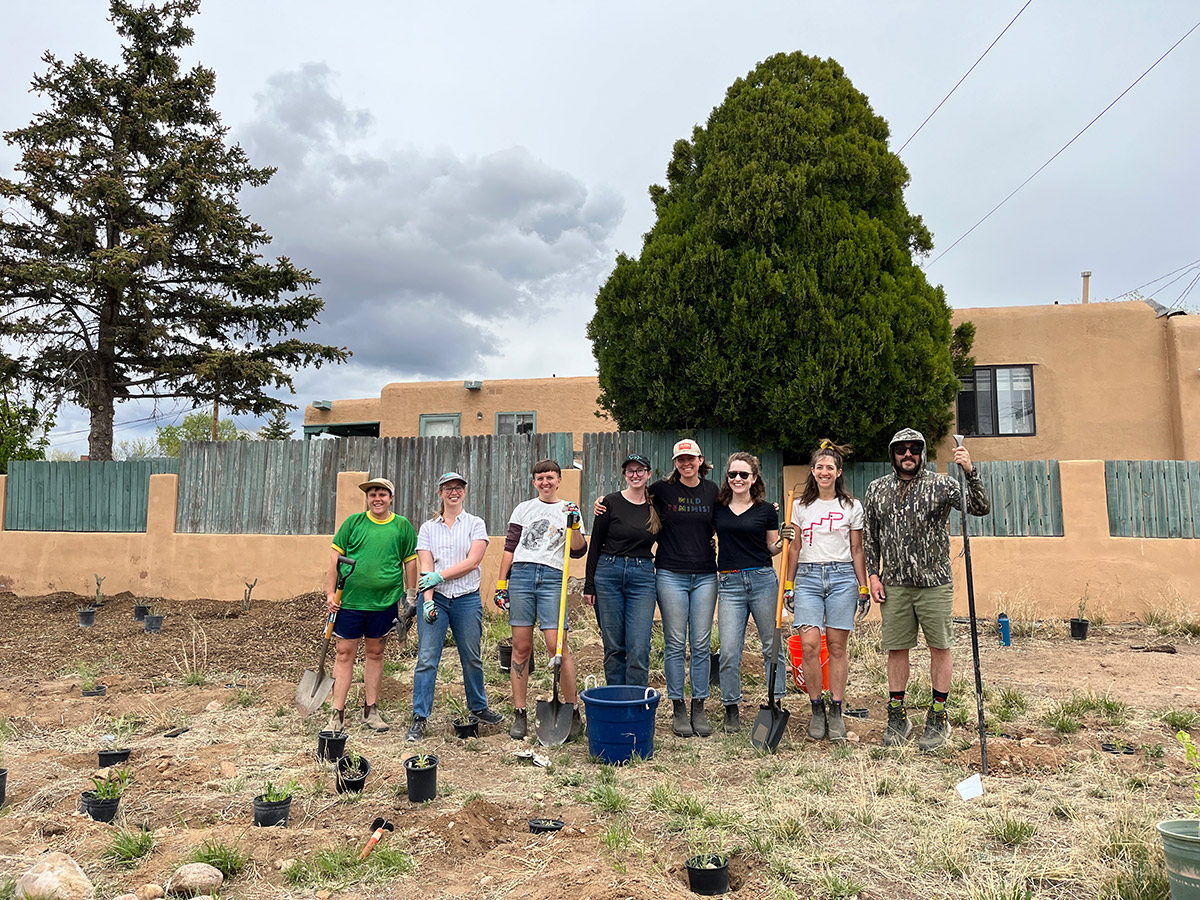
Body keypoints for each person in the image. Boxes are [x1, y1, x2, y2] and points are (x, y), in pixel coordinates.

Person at [862, 428, 990, 752]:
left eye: (914, 449)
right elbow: (870, 537)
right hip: (894, 585)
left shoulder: (942, 484)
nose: (908, 455)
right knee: (896, 649)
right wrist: (873, 577)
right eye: (901, 449)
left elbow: (980, 507)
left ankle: (938, 715)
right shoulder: (876, 489)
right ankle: (897, 715)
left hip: (934, 583)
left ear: (921, 453)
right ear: (893, 454)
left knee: (940, 647)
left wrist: (969, 471)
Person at [597, 439, 719, 737]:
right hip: (669, 573)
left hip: (704, 573)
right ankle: (677, 707)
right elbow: (631, 497)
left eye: (691, 458)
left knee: (701, 644)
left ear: (701, 460)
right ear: (674, 463)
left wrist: (767, 506)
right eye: (681, 459)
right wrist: (603, 501)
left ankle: (698, 706)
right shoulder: (662, 490)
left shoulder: (714, 490)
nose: (686, 463)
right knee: (675, 642)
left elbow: (737, 505)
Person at [406, 471, 506, 741]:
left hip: (466, 599)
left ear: (464, 491)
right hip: (436, 599)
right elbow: (426, 569)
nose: (453, 492)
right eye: (448, 488)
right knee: (427, 659)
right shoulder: (428, 528)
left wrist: (441, 575)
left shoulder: (475, 524)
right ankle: (419, 716)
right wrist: (426, 602)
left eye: (458, 488)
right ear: (440, 493)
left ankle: (479, 706)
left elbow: (473, 561)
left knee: (472, 657)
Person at [493, 459, 587, 741]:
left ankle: (571, 709)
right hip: (521, 576)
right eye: (539, 478)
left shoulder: (569, 509)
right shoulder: (524, 509)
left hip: (552, 578)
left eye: (550, 477)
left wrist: (573, 525)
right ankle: (520, 712)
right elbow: (510, 547)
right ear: (534, 482)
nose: (545, 482)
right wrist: (501, 584)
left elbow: (578, 551)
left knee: (557, 646)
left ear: (559, 480)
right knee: (521, 648)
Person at [783, 439, 869, 743]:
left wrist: (863, 587)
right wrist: (789, 585)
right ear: (812, 470)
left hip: (843, 576)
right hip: (807, 576)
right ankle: (816, 707)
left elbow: (857, 548)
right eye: (819, 466)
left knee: (836, 647)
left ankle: (836, 709)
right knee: (808, 644)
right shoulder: (801, 505)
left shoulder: (851, 506)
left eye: (829, 467)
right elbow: (794, 547)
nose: (823, 471)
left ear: (838, 471)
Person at [326, 476, 418, 733]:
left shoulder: (401, 526)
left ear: (391, 498)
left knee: (375, 653)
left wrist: (411, 595)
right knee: (344, 653)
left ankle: (371, 710)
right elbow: (335, 557)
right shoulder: (353, 523)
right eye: (372, 494)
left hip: (384, 601)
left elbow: (410, 561)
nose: (377, 498)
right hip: (351, 601)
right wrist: (330, 593)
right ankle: (337, 713)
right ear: (368, 498)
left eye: (382, 494)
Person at [713, 451, 790, 734]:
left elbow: (772, 547)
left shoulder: (767, 510)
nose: (737, 479)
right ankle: (731, 708)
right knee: (730, 650)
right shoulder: (718, 508)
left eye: (743, 474)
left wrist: (783, 540)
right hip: (730, 583)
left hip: (762, 580)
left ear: (754, 478)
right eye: (732, 474)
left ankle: (776, 701)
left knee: (772, 646)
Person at [584, 453, 660, 687]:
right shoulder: (609, 503)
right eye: (630, 471)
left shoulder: (656, 505)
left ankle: (635, 702)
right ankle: (616, 700)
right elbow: (595, 543)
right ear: (625, 475)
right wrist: (590, 584)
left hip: (643, 576)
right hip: (609, 573)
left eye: (640, 470)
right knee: (614, 645)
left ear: (648, 474)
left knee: (639, 646)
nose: (635, 475)